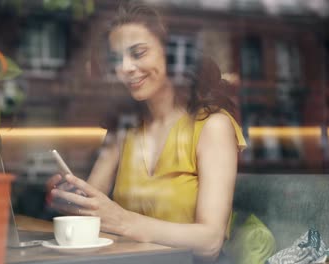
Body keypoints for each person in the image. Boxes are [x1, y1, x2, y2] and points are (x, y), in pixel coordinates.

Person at [47, 2, 246, 262]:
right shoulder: (125, 128)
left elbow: (210, 242)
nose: (125, 68)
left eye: (138, 53)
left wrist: (122, 221)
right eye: (117, 59)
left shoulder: (212, 126)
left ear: (170, 53)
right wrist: (73, 198)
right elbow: (91, 214)